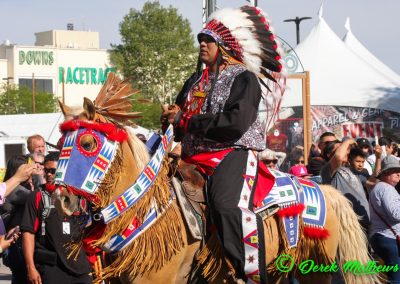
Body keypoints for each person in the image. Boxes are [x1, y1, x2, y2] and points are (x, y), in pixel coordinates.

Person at [161, 6, 284, 283]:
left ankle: (250, 275)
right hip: (192, 156)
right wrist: (171, 118)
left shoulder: (243, 78)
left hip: (232, 153)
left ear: (224, 45)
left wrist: (188, 121)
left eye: (208, 41)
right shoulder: (195, 80)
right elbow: (182, 118)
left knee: (227, 206)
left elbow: (236, 122)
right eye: (200, 41)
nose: (202, 45)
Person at [21, 152, 92, 284]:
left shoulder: (80, 196)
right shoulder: (37, 197)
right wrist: (30, 267)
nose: (48, 174)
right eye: (46, 170)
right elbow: (28, 233)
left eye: (53, 171)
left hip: (80, 269)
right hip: (51, 269)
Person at [2, 155, 36, 284]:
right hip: (15, 245)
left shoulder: (9, 187)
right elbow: (38, 199)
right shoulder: (16, 190)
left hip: (12, 244)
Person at [369, 155, 400, 283]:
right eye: (395, 171)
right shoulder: (387, 189)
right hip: (388, 238)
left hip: (383, 237)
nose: (399, 174)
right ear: (386, 173)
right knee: (395, 278)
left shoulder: (381, 187)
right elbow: (395, 214)